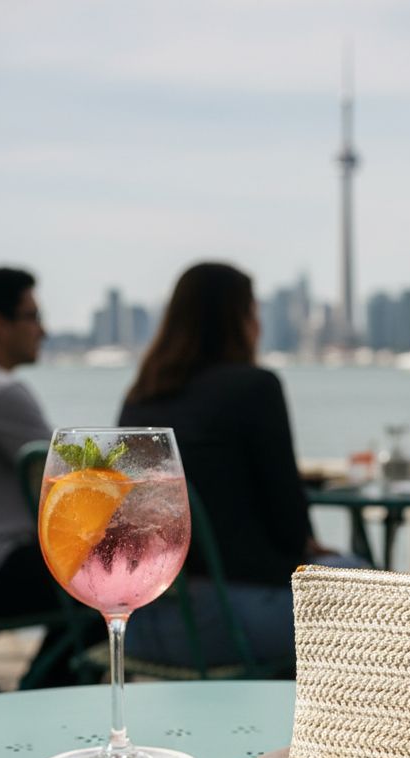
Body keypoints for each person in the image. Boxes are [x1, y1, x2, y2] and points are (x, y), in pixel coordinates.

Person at [119, 261, 361, 668]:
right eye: (253, 311)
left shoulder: (140, 397)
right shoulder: (255, 387)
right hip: (228, 625)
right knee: (368, 585)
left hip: (143, 625)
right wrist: (304, 541)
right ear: (239, 320)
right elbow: (288, 526)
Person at [0, 267, 88, 686]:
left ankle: (50, 685)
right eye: (31, 317)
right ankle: (45, 692)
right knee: (109, 574)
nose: (42, 331)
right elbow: (71, 476)